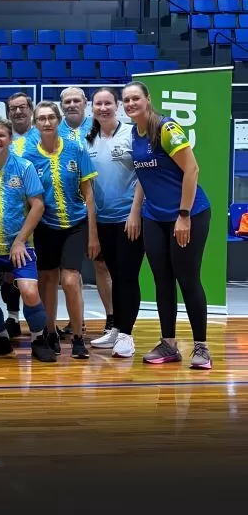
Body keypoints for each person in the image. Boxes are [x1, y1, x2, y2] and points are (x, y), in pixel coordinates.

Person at [123, 81, 213, 369]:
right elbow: (144, 178)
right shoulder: (134, 134)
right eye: (126, 100)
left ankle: (201, 348)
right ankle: (169, 345)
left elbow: (192, 169)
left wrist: (184, 214)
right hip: (154, 216)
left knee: (187, 279)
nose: (130, 104)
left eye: (135, 98)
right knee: (162, 281)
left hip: (188, 214)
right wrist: (135, 210)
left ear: (147, 100)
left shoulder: (166, 128)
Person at [0, 118, 54, 362]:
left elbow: (37, 205)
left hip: (20, 247)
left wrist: (19, 241)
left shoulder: (24, 167)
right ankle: (2, 337)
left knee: (29, 291)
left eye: (1, 135)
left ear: (10, 139)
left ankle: (38, 338)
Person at [20, 101, 99, 360]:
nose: (46, 122)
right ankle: (50, 332)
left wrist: (93, 234)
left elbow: (89, 195)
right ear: (35, 124)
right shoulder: (29, 158)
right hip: (46, 227)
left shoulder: (76, 150)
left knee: (70, 279)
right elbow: (29, 200)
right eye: (41, 118)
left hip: (76, 224)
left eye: (51, 117)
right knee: (47, 280)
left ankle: (78, 336)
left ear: (58, 119)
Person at [83, 88, 145, 357]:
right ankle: (116, 329)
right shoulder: (87, 139)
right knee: (114, 275)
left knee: (127, 276)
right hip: (103, 220)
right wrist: (93, 230)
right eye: (98, 104)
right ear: (92, 108)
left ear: (117, 106)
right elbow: (88, 189)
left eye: (108, 103)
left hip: (129, 219)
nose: (103, 108)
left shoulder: (132, 133)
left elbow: (144, 175)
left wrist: (135, 213)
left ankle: (127, 335)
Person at [59, 86, 115, 336]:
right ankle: (76, 320)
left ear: (86, 103)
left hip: (100, 207)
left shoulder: (98, 128)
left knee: (102, 265)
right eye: (67, 101)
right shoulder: (55, 132)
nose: (72, 104)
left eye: (76, 100)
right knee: (71, 270)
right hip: (68, 212)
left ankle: (112, 318)